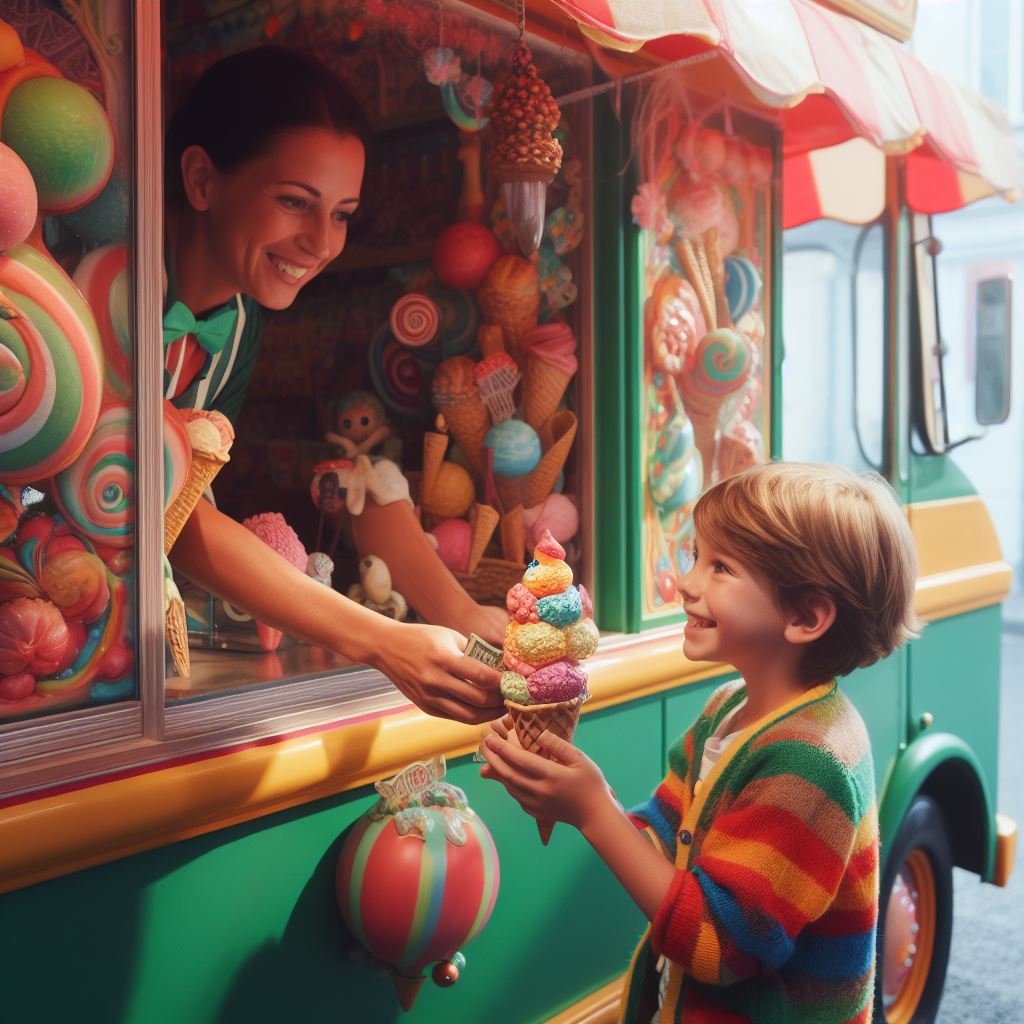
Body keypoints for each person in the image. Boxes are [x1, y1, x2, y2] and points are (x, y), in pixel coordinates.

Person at [480, 462, 922, 1022]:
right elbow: (663, 837)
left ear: (806, 616)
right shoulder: (729, 707)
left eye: (720, 567)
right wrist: (560, 790)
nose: (686, 584)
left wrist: (592, 810)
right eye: (694, 558)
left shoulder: (810, 763)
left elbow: (719, 946)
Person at [163, 46, 505, 722]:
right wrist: (382, 639)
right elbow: (170, 512)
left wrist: (465, 616)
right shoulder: (115, 287)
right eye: (296, 202)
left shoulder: (239, 322)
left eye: (343, 213)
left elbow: (183, 501)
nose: (322, 242)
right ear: (203, 180)